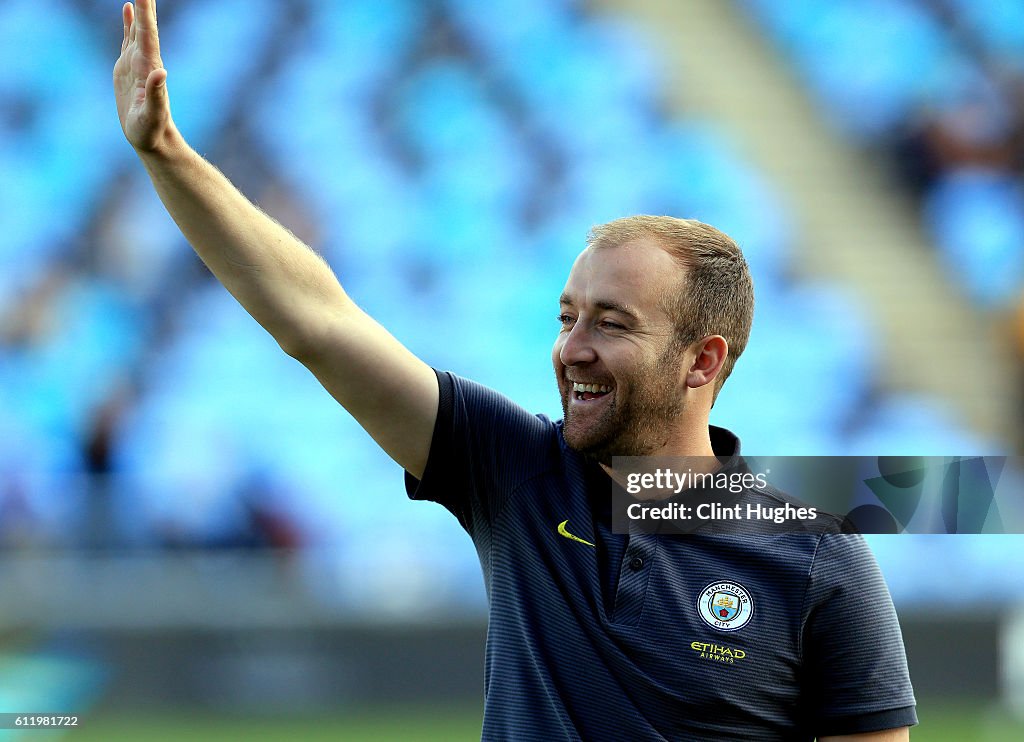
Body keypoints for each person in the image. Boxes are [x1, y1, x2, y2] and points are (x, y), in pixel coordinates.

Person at [113, 2, 917, 739]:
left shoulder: (818, 560)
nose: (572, 349)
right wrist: (168, 156)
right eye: (567, 317)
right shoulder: (515, 471)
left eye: (612, 324)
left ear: (702, 361)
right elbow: (317, 323)